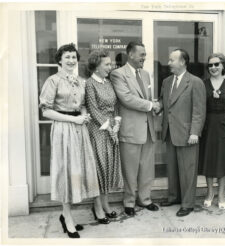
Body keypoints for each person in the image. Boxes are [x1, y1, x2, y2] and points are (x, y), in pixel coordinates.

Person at [39, 43, 100, 238]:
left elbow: (82, 105)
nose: (71, 61)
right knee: (66, 171)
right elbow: (46, 110)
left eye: (74, 57)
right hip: (64, 129)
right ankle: (66, 216)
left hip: (79, 128)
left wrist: (83, 115)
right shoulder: (52, 80)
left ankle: (68, 216)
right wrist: (73, 119)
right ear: (59, 60)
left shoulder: (80, 81)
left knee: (79, 170)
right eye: (67, 57)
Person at [110, 41, 160, 216]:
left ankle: (145, 199)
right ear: (130, 54)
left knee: (147, 168)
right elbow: (126, 98)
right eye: (142, 55)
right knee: (130, 170)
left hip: (148, 129)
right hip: (131, 130)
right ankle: (129, 202)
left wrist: (155, 105)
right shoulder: (118, 74)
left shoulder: (146, 74)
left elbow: (147, 97)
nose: (144, 58)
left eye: (145, 55)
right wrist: (150, 105)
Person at [158, 49, 206, 217]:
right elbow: (164, 104)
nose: (168, 63)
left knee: (188, 170)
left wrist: (195, 132)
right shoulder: (166, 81)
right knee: (172, 169)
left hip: (187, 134)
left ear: (183, 62)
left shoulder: (195, 82)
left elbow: (199, 111)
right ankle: (174, 197)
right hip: (170, 132)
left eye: (172, 60)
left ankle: (188, 203)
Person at [85, 50, 123, 223]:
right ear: (96, 66)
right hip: (98, 130)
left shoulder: (108, 82)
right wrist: (109, 128)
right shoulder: (89, 84)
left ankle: (106, 204)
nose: (111, 67)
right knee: (99, 167)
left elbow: (114, 106)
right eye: (107, 64)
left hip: (110, 129)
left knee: (108, 166)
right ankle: (97, 206)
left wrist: (116, 125)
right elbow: (93, 110)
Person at [198, 53, 225, 210]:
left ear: (223, 66)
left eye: (216, 64)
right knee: (208, 158)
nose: (213, 67)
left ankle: (221, 193)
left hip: (224, 126)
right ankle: (210, 192)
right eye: (210, 65)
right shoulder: (202, 84)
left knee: (222, 160)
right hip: (207, 125)